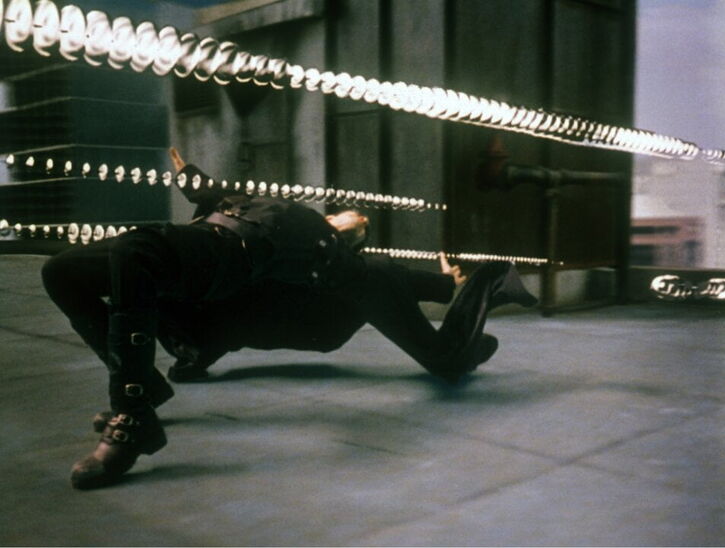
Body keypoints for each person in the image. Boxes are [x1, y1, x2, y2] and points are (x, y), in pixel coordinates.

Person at [41, 148, 535, 490]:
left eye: (359, 224)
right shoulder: (267, 208)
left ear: (353, 239)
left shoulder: (347, 264)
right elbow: (210, 193)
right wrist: (188, 172)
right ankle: (143, 386)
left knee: (135, 251)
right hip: (212, 289)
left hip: (235, 267)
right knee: (60, 271)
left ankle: (133, 415)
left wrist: (449, 287)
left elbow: (404, 295)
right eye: (347, 214)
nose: (352, 218)